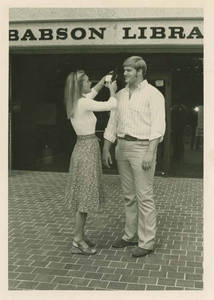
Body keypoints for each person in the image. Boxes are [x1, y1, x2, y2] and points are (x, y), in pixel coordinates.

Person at [102, 56, 166, 258]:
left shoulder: (153, 94)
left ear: (139, 72)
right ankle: (130, 235)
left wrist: (150, 151)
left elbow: (158, 125)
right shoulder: (119, 94)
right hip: (122, 147)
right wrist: (106, 148)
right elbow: (113, 121)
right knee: (128, 196)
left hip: (142, 148)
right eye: (124, 70)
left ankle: (147, 242)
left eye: (128, 70)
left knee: (144, 196)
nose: (124, 74)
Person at [64, 70, 117, 255]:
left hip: (83, 148)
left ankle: (80, 235)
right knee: (83, 200)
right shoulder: (84, 102)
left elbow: (92, 93)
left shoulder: (77, 101)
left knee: (83, 197)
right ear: (80, 86)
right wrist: (112, 90)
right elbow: (111, 105)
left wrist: (102, 81)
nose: (90, 83)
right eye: (86, 81)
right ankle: (77, 240)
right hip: (87, 150)